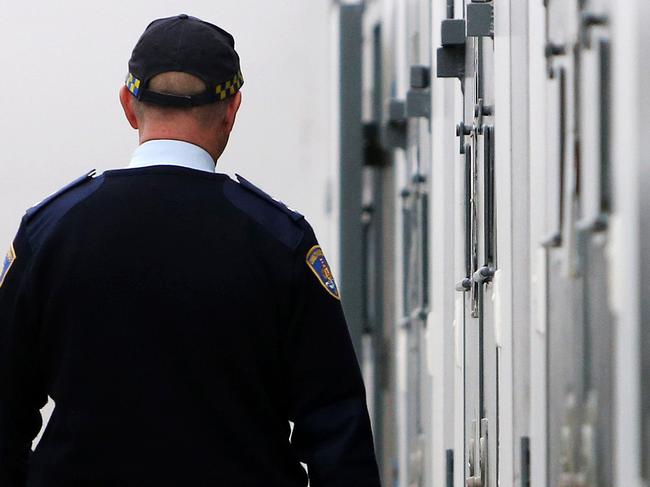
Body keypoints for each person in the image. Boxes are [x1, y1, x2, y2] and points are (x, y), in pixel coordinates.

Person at [0, 14, 381, 487]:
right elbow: (337, 434)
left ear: (127, 104)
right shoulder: (280, 241)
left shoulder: (48, 235)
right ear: (232, 108)